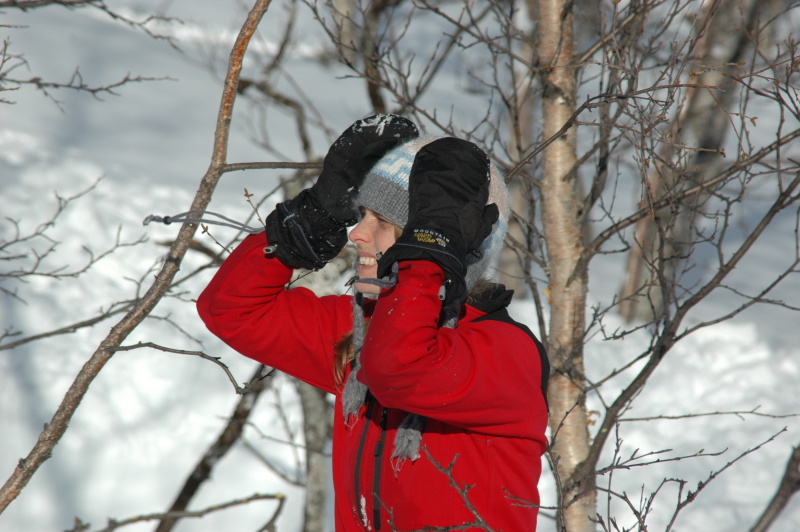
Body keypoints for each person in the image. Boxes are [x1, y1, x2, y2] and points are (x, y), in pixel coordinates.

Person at [196, 114, 550, 531]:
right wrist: (305, 224)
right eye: (361, 215)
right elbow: (232, 310)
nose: (357, 234)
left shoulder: (506, 353)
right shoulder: (364, 334)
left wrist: (427, 257)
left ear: (438, 242)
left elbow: (400, 366)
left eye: (381, 221)